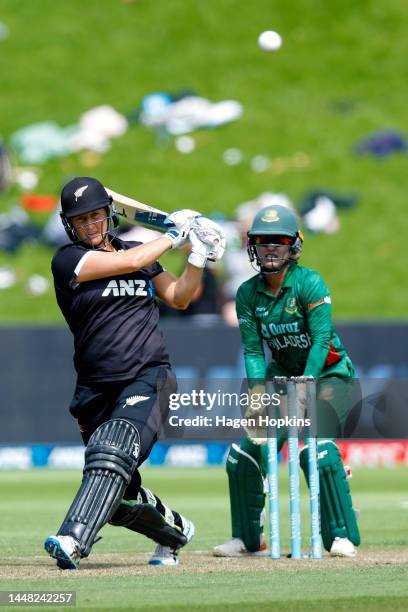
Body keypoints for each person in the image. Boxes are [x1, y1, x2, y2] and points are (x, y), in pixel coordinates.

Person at [44, 176, 225, 569]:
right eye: (81, 221)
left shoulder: (141, 252)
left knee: (113, 451)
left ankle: (72, 539)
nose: (90, 227)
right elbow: (129, 262)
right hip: (95, 389)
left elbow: (178, 297)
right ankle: (174, 532)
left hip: (149, 376)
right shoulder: (69, 260)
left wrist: (197, 256)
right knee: (118, 494)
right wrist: (176, 233)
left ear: (109, 216)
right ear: (68, 225)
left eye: (96, 217)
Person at [213, 204, 360, 558]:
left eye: (279, 241)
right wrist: (258, 395)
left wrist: (306, 385)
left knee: (314, 445)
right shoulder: (248, 294)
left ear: (294, 245)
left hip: (331, 376)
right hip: (281, 376)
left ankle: (340, 535)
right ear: (252, 246)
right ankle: (248, 539)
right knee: (245, 452)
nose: (270, 248)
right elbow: (252, 351)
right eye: (263, 241)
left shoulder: (310, 283)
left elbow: (321, 340)